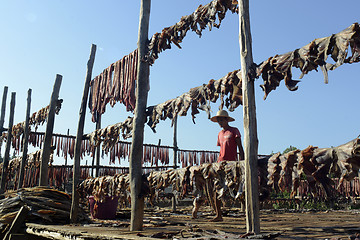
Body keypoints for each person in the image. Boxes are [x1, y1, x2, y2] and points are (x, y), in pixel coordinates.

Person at [192, 109, 244, 222]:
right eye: (218, 120)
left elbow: (240, 147)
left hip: (232, 164)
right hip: (220, 164)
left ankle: (247, 211)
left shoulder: (234, 131)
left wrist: (242, 161)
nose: (220, 122)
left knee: (238, 188)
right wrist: (217, 163)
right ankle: (218, 215)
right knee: (217, 189)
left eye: (221, 119)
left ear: (226, 119)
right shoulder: (220, 134)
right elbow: (221, 150)